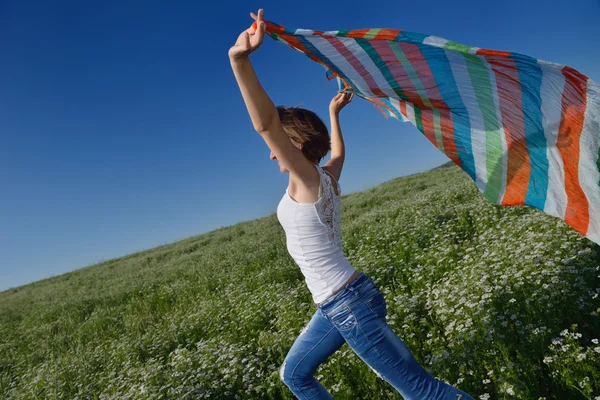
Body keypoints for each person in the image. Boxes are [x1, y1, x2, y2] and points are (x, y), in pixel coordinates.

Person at [228, 9, 476, 400]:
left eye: (277, 149)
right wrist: (333, 113)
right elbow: (338, 152)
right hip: (344, 299)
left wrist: (238, 60)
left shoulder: (308, 179)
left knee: (422, 392)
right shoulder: (326, 178)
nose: (271, 155)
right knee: (295, 374)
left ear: (293, 143)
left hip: (347, 304)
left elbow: (266, 126)